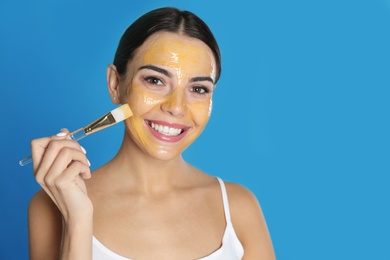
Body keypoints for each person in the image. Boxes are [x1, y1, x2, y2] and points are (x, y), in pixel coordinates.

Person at [28, 7, 275, 260]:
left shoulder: (238, 208)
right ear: (116, 84)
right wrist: (77, 219)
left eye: (198, 89)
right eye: (155, 81)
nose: (176, 107)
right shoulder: (51, 206)